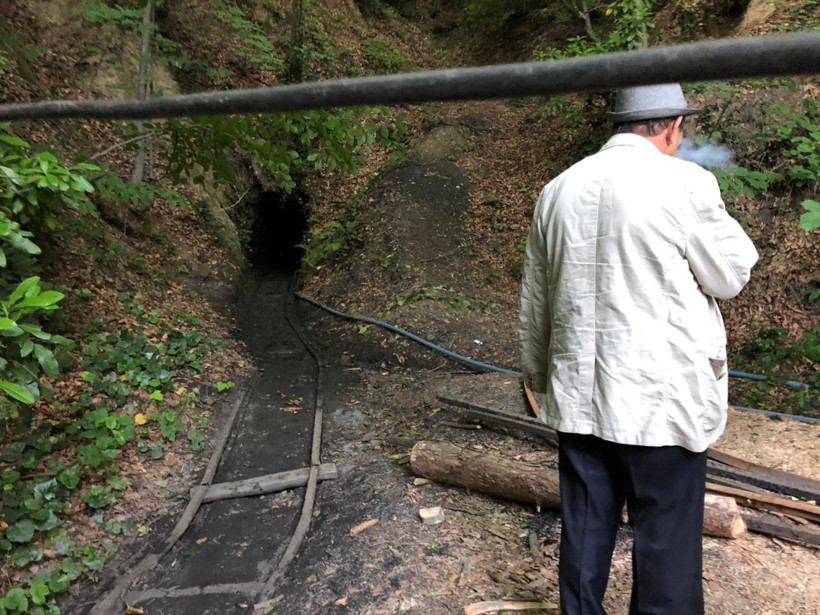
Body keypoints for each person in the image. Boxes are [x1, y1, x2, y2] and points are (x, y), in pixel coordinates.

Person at [519, 83, 758, 615]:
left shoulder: (559, 188)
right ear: (672, 126)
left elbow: (536, 294)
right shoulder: (685, 182)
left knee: (584, 525)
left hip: (578, 392)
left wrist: (540, 377)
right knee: (665, 535)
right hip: (659, 399)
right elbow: (731, 274)